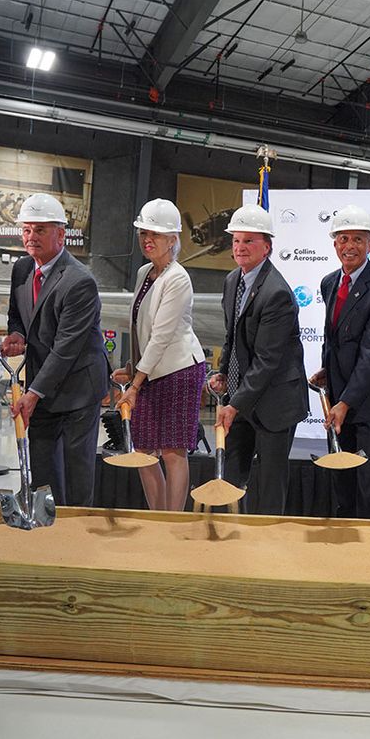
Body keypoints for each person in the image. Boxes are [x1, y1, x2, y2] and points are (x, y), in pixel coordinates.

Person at [0, 192, 109, 507]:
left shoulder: (79, 282)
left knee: (77, 468)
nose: (31, 237)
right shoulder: (22, 268)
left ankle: (77, 530)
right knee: (43, 462)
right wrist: (17, 335)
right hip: (42, 382)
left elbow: (65, 349)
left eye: (40, 230)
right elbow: (17, 316)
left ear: (61, 235)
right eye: (27, 230)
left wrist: (32, 394)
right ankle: (48, 522)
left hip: (78, 387)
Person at [207, 204, 309, 516]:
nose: (240, 247)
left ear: (267, 247)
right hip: (243, 396)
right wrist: (223, 372)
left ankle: (268, 547)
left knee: (269, 483)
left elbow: (267, 361)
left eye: (249, 241)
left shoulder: (276, 293)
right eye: (237, 240)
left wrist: (234, 404)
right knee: (234, 475)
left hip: (275, 402)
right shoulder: (232, 281)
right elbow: (232, 335)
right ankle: (235, 543)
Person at [112, 199, 206, 512]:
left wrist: (135, 385)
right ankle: (158, 517)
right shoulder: (144, 273)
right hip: (150, 371)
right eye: (143, 233)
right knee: (142, 449)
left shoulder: (178, 278)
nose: (147, 240)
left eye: (156, 234)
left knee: (171, 451)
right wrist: (132, 368)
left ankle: (173, 522)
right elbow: (140, 325)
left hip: (179, 371)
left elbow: (162, 336)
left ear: (172, 240)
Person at [308, 204, 370, 519]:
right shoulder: (329, 283)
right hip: (338, 401)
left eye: (358, 240)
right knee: (343, 485)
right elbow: (333, 338)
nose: (350, 246)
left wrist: (345, 403)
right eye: (344, 239)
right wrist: (327, 370)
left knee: (369, 491)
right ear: (335, 244)